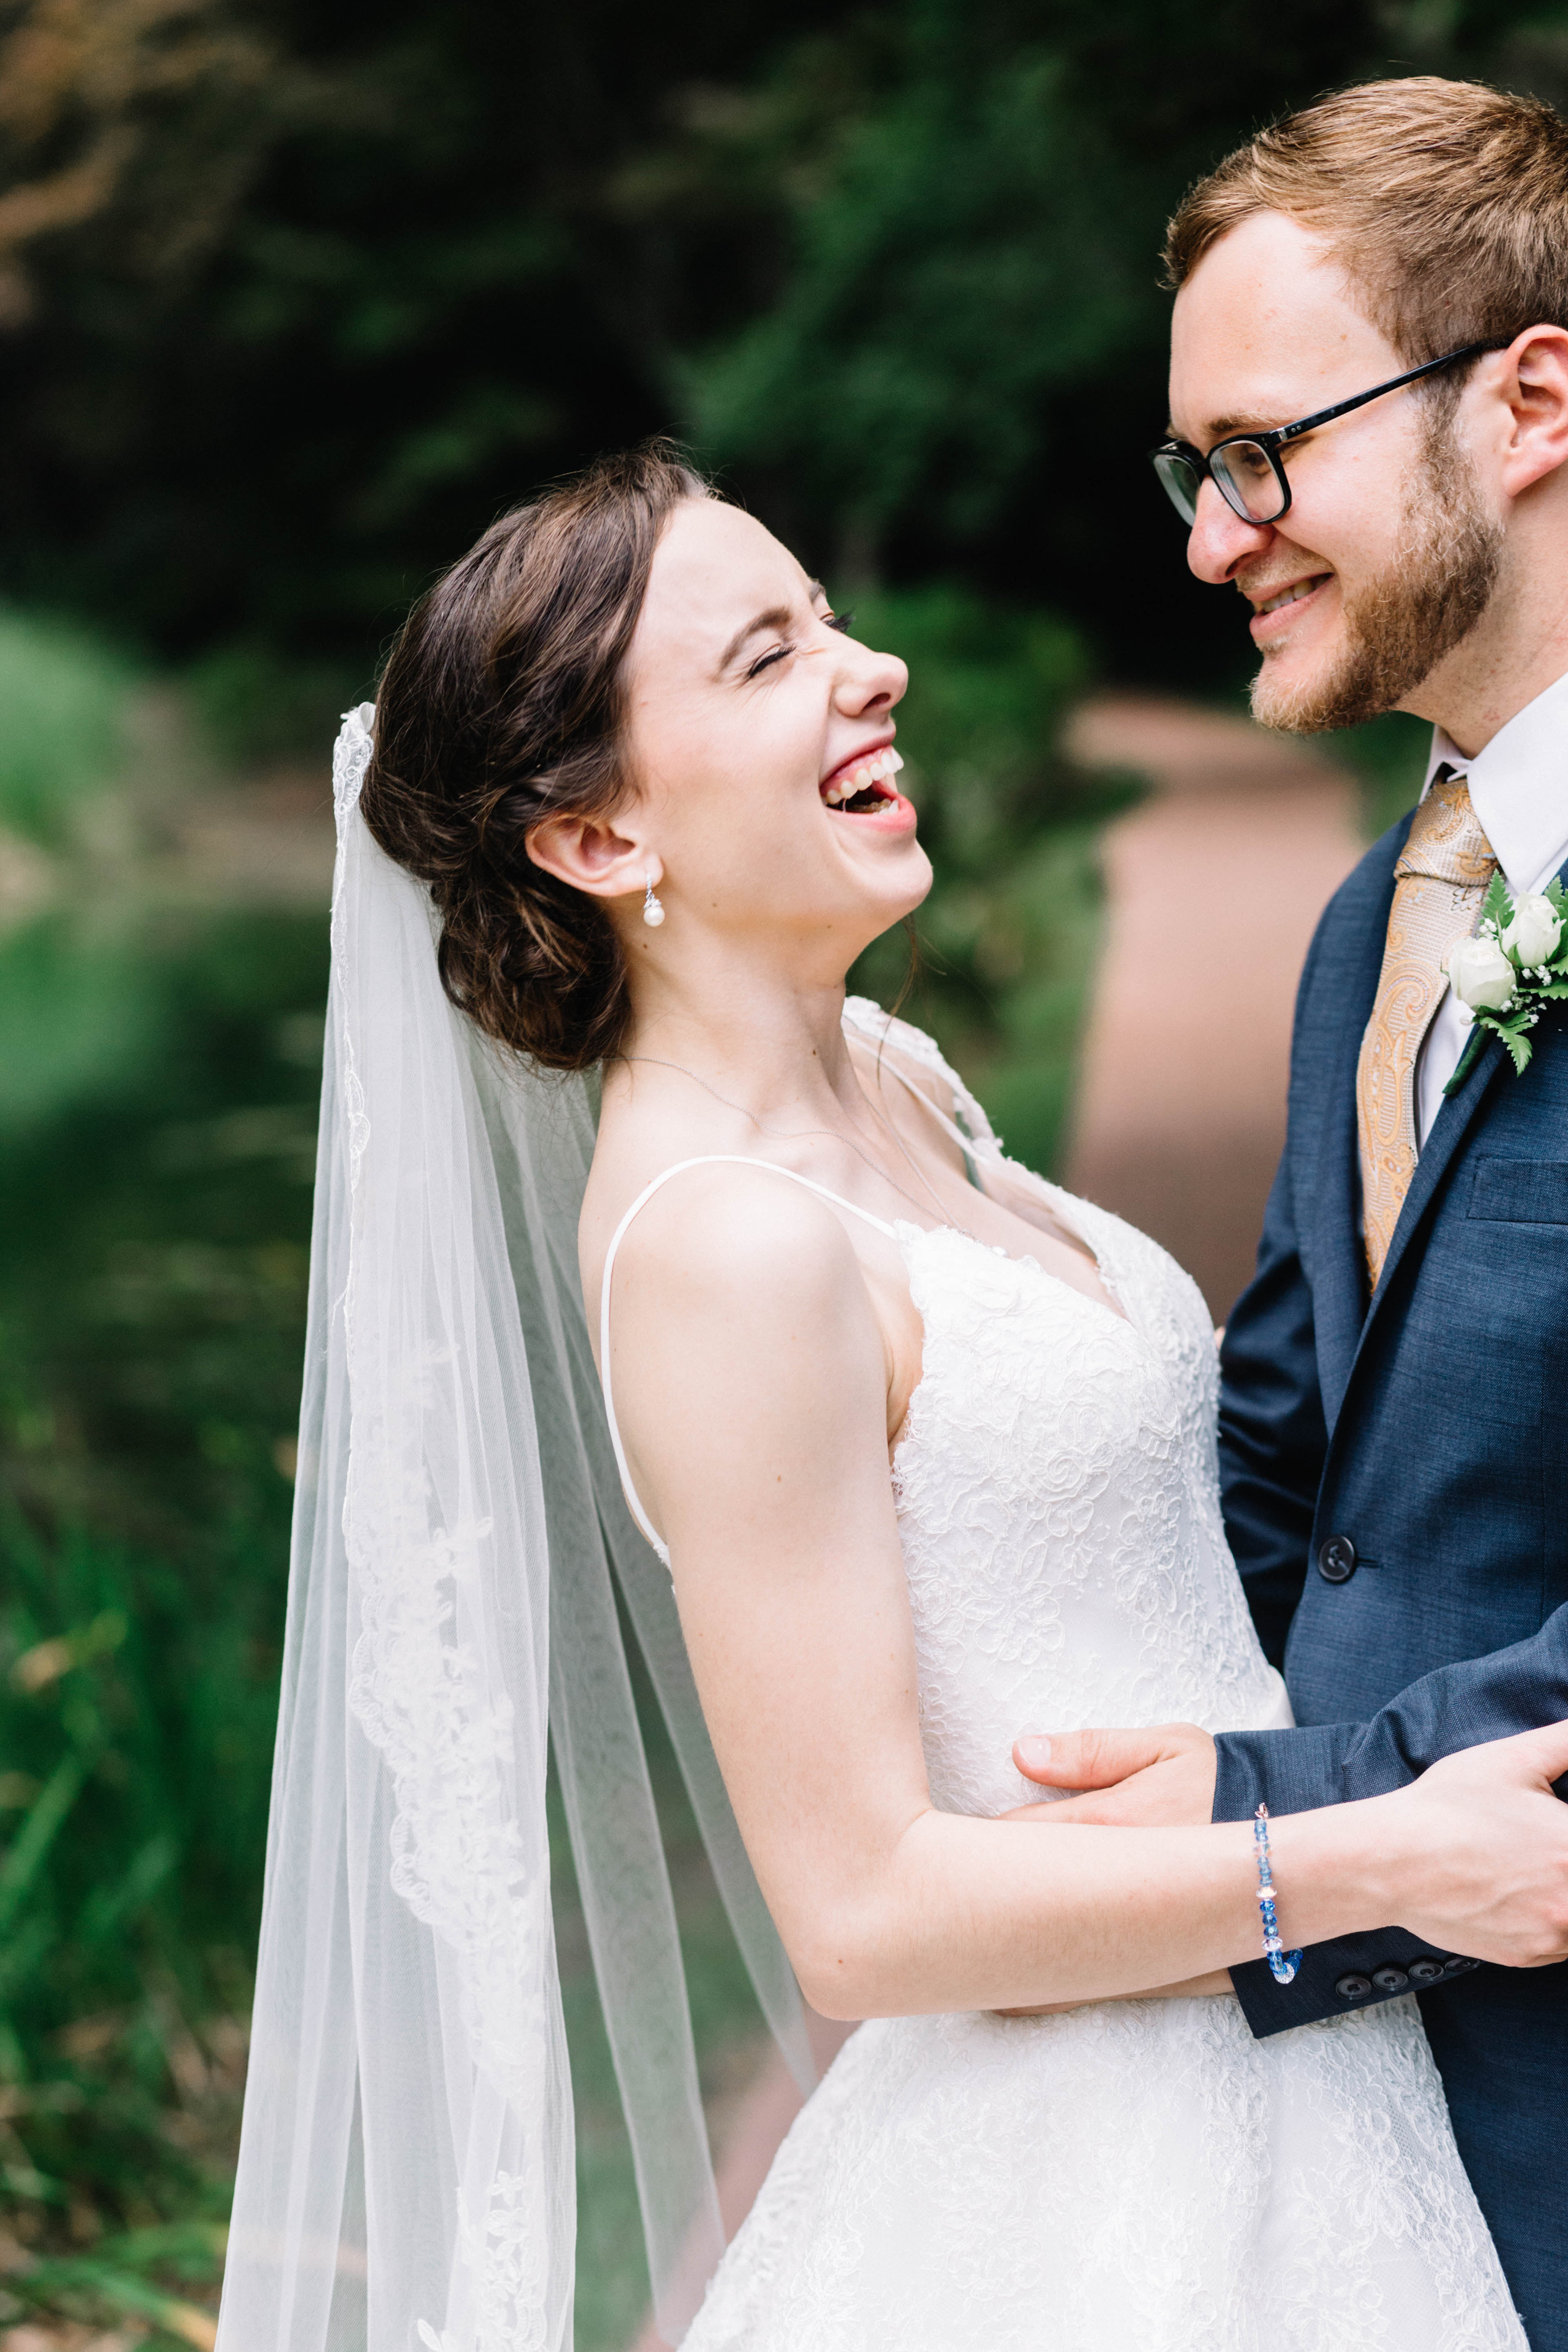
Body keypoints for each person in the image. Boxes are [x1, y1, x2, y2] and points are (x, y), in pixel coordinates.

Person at [216, 437, 1568, 2352]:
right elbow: (862, 1911)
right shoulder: (724, 1249)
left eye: (829, 619)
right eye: (767, 659)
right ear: (601, 840)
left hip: (1286, 2053)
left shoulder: (892, 1071)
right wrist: (1389, 1857)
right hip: (1095, 2148)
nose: (874, 669)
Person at [1011, 74, 1568, 2352]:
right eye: (1197, 471)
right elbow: (1284, 1461)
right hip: (1330, 2142)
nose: (1214, 533)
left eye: (1265, 451)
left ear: (1534, 399)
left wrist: (1271, 1829)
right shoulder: (1373, 919)